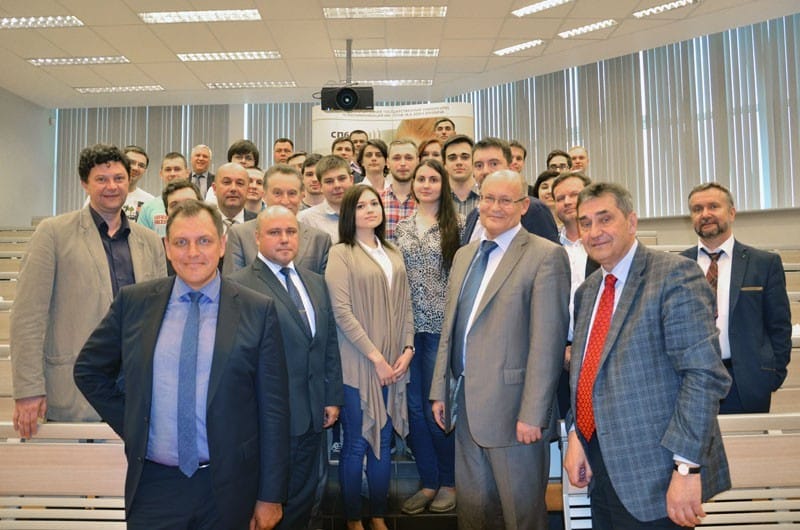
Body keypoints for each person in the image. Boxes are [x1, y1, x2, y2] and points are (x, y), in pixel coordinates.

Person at [74, 200, 290, 529]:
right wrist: (136, 421)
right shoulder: (134, 303)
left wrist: (271, 495)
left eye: (204, 241)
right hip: (154, 487)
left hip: (229, 487)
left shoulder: (257, 310)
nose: (193, 253)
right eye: (181, 242)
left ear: (222, 245)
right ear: (167, 247)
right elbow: (89, 370)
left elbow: (274, 411)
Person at [564, 182, 731, 528]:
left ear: (631, 222)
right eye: (585, 223)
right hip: (602, 468)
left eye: (605, 219)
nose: (594, 232)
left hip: (659, 475)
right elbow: (588, 374)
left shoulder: (674, 275)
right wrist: (578, 434)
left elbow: (703, 376)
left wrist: (686, 468)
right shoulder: (587, 292)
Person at [430, 169, 570, 530]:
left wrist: (534, 413)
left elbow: (548, 343)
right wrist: (440, 390)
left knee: (521, 516)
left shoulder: (546, 256)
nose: (495, 207)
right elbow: (451, 329)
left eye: (506, 200)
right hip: (465, 407)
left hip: (515, 414)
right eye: (488, 198)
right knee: (475, 514)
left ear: (523, 206)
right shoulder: (465, 255)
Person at [11, 144, 166, 438]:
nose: (112, 186)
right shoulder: (53, 233)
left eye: (119, 178)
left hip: (134, 390)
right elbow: (27, 316)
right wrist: (28, 389)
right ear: (85, 183)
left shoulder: (148, 241)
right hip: (73, 390)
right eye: (101, 179)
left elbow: (159, 319)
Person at [229, 205, 344, 530]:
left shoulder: (316, 282)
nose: (284, 239)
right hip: (267, 423)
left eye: (291, 232)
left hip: (312, 417)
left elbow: (327, 343)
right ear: (257, 238)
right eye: (274, 232)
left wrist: (331, 396)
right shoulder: (238, 286)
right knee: (268, 508)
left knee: (302, 503)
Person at [325, 185, 415, 530]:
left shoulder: (392, 251)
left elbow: (406, 305)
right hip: (359, 363)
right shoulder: (341, 253)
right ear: (350, 213)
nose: (369, 210)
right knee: (357, 442)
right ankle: (352, 519)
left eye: (374, 203)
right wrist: (376, 358)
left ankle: (378, 515)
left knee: (385, 441)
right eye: (361, 206)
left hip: (395, 363)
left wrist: (408, 350)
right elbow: (341, 312)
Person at [681, 182, 792, 413]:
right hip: (689, 383)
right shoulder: (677, 266)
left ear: (732, 213)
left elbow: (779, 327)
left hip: (746, 382)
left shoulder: (764, 264)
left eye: (713, 206)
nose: (705, 214)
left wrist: (772, 376)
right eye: (697, 209)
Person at [395, 160, 463, 515]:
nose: (425, 184)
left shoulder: (459, 226)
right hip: (408, 330)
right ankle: (428, 481)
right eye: (420, 178)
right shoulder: (401, 228)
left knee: (439, 409)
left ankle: (449, 482)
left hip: (441, 330)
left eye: (433, 179)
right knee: (414, 411)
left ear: (443, 184)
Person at [223, 164, 331, 276]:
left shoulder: (319, 240)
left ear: (302, 196)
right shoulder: (240, 235)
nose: (285, 201)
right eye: (277, 193)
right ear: (264, 195)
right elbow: (232, 283)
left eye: (292, 193)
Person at [551, 172, 598, 417]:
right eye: (560, 198)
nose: (567, 202)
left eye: (574, 195)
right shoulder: (546, 247)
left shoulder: (603, 244)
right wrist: (561, 349)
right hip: (556, 356)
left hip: (600, 350)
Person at [463, 138, 558, 244]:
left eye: (494, 164)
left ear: (509, 167)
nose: (485, 171)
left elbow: (549, 252)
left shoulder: (533, 209)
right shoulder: (472, 216)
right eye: (479, 165)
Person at [297, 155, 355, 244]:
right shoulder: (305, 219)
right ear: (320, 186)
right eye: (329, 181)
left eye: (342, 178)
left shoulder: (366, 212)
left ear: (351, 180)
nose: (337, 185)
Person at [137, 152, 190, 236]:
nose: (172, 174)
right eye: (168, 170)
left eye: (177, 169)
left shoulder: (199, 205)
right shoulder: (148, 208)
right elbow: (141, 240)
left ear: (187, 173)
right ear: (161, 174)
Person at [380, 139, 418, 240]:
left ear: (418, 161)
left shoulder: (429, 203)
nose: (403, 163)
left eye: (409, 158)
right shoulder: (376, 201)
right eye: (396, 158)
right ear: (387, 163)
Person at [443, 135, 480, 216]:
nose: (459, 162)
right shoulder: (436, 199)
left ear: (474, 161)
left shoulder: (487, 197)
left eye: (465, 157)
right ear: (444, 164)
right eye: (452, 158)